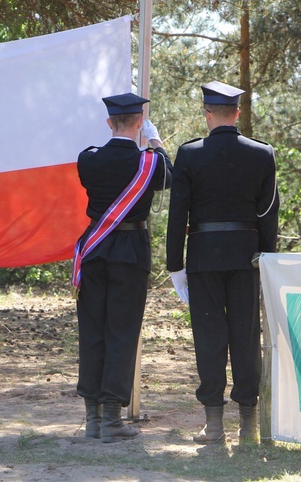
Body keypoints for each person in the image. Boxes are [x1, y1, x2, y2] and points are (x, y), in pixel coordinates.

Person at [165, 81, 279, 444]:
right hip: (247, 256)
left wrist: (174, 265)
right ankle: (248, 423)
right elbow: (267, 212)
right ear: (238, 114)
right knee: (246, 337)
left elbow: (177, 212)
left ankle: (213, 424)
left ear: (207, 113)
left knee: (209, 338)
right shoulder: (262, 154)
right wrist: (267, 257)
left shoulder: (189, 154)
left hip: (202, 256)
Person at [73, 92, 173, 443]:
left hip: (95, 250)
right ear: (139, 123)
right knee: (122, 331)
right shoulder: (150, 161)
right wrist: (155, 140)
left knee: (93, 330)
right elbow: (168, 177)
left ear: (108, 122)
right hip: (130, 252)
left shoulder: (88, 159)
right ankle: (112, 417)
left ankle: (92, 418)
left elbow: (92, 185)